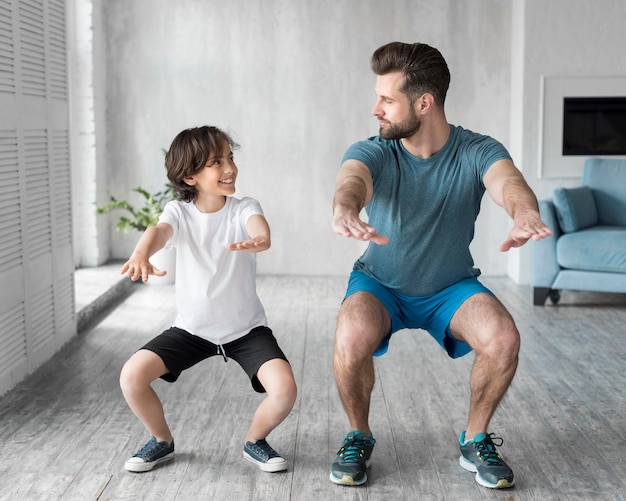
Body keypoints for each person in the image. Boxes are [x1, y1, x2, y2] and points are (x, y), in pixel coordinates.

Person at [329, 42, 552, 489]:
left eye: (387, 100)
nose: (377, 109)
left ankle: (475, 438)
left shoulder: (476, 149)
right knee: (351, 337)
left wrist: (524, 212)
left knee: (503, 338)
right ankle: (358, 434)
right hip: (381, 284)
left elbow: (508, 182)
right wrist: (345, 207)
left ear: (424, 103)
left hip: (449, 288)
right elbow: (353, 179)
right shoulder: (376, 150)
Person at [119, 125, 297, 474]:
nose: (229, 168)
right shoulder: (178, 213)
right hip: (191, 330)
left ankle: (255, 440)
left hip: (246, 330)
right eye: (217, 162)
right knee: (132, 377)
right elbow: (158, 232)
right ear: (190, 176)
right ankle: (161, 440)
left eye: (230, 158)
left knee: (285, 389)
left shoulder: (243, 207)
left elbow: (259, 227)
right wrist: (142, 253)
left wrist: (260, 239)